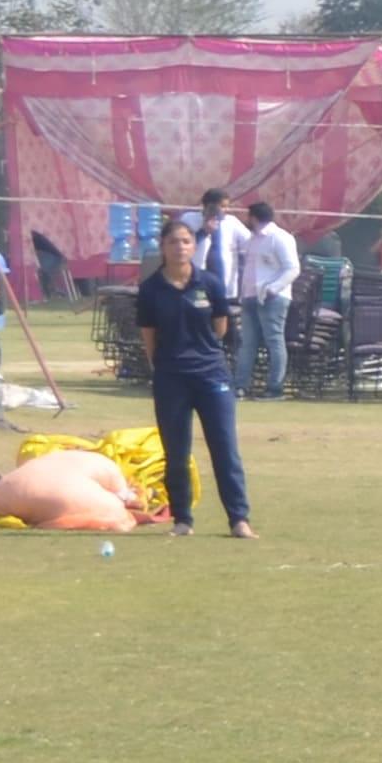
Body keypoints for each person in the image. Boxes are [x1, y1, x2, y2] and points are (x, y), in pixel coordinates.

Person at [133, 223, 252, 538]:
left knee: (225, 449)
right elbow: (149, 337)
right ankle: (183, 520)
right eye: (173, 242)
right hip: (171, 378)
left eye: (186, 241)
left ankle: (239, 520)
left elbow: (220, 327)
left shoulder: (209, 283)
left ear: (193, 246)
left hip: (211, 375)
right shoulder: (151, 289)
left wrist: (202, 353)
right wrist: (164, 368)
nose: (180, 247)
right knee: (176, 452)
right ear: (163, 246)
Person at [231, 199, 299, 395]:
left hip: (273, 298)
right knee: (248, 342)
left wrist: (273, 289)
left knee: (274, 341)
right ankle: (241, 385)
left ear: (253, 217)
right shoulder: (252, 239)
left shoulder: (280, 237)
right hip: (250, 296)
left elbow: (293, 268)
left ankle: (275, 387)